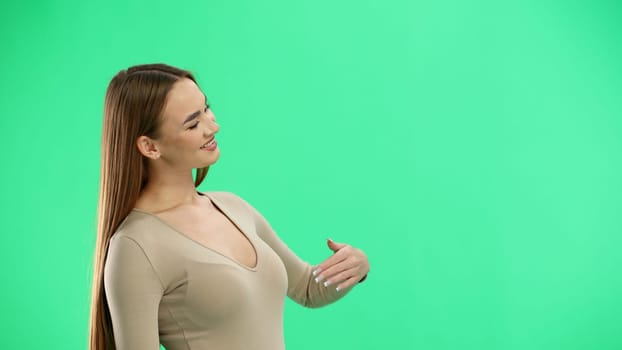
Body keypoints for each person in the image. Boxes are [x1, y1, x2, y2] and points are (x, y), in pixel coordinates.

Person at [88, 63, 370, 350]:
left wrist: (356, 266)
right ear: (150, 147)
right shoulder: (135, 246)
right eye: (193, 123)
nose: (213, 126)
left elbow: (308, 289)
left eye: (206, 109)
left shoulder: (233, 207)